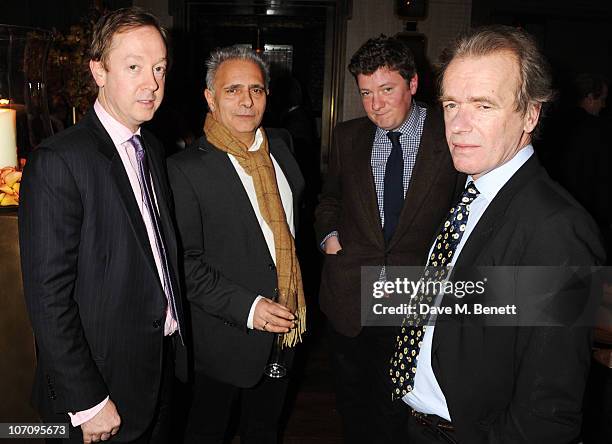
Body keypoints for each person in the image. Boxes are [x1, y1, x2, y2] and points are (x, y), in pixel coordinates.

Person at [389, 25, 605, 443]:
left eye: (483, 106)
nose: (458, 125)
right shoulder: (471, 190)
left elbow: (548, 412)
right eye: (451, 104)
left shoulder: (558, 228)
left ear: (530, 114)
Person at [19, 7, 185, 444]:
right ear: (99, 70)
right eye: (134, 67)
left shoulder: (150, 146)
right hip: (99, 393)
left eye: (159, 69)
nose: (151, 83)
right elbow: (47, 296)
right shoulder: (59, 160)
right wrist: (87, 400)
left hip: (160, 371)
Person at [314, 35, 462, 443]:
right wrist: (330, 237)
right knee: (353, 405)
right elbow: (329, 198)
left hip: (415, 296)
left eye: (386, 90)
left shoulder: (450, 134)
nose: (375, 104)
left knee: (400, 411)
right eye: (365, 93)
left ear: (412, 84)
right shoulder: (347, 137)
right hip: (349, 295)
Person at [167, 46, 306, 443]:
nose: (246, 101)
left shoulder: (280, 147)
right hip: (222, 341)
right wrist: (250, 307)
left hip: (287, 329)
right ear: (210, 97)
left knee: (264, 430)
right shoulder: (185, 169)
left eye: (256, 90)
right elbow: (184, 265)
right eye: (233, 91)